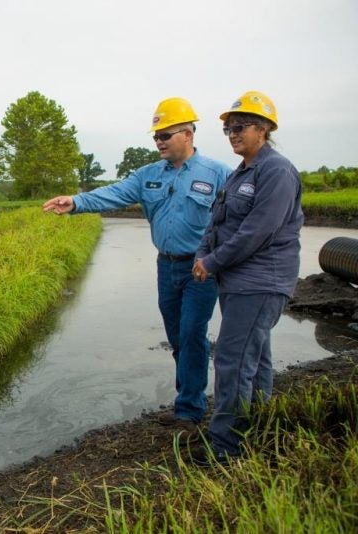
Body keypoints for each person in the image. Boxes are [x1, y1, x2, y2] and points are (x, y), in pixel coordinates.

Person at [43, 97, 230, 431]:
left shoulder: (217, 174)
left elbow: (240, 217)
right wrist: (75, 202)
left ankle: (189, 409)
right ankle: (188, 397)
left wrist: (225, 257)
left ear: (187, 134)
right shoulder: (147, 176)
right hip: (166, 267)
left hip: (201, 269)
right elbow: (112, 194)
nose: (158, 141)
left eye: (165, 135)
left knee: (191, 334)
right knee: (176, 336)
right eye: (156, 136)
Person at [191, 90, 304, 465]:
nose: (232, 134)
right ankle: (257, 431)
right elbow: (216, 221)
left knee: (232, 359)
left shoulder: (277, 171)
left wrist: (214, 262)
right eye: (227, 128)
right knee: (254, 360)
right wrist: (202, 256)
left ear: (264, 128)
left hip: (261, 281)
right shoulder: (240, 173)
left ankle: (226, 447)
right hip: (239, 283)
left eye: (239, 127)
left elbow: (258, 232)